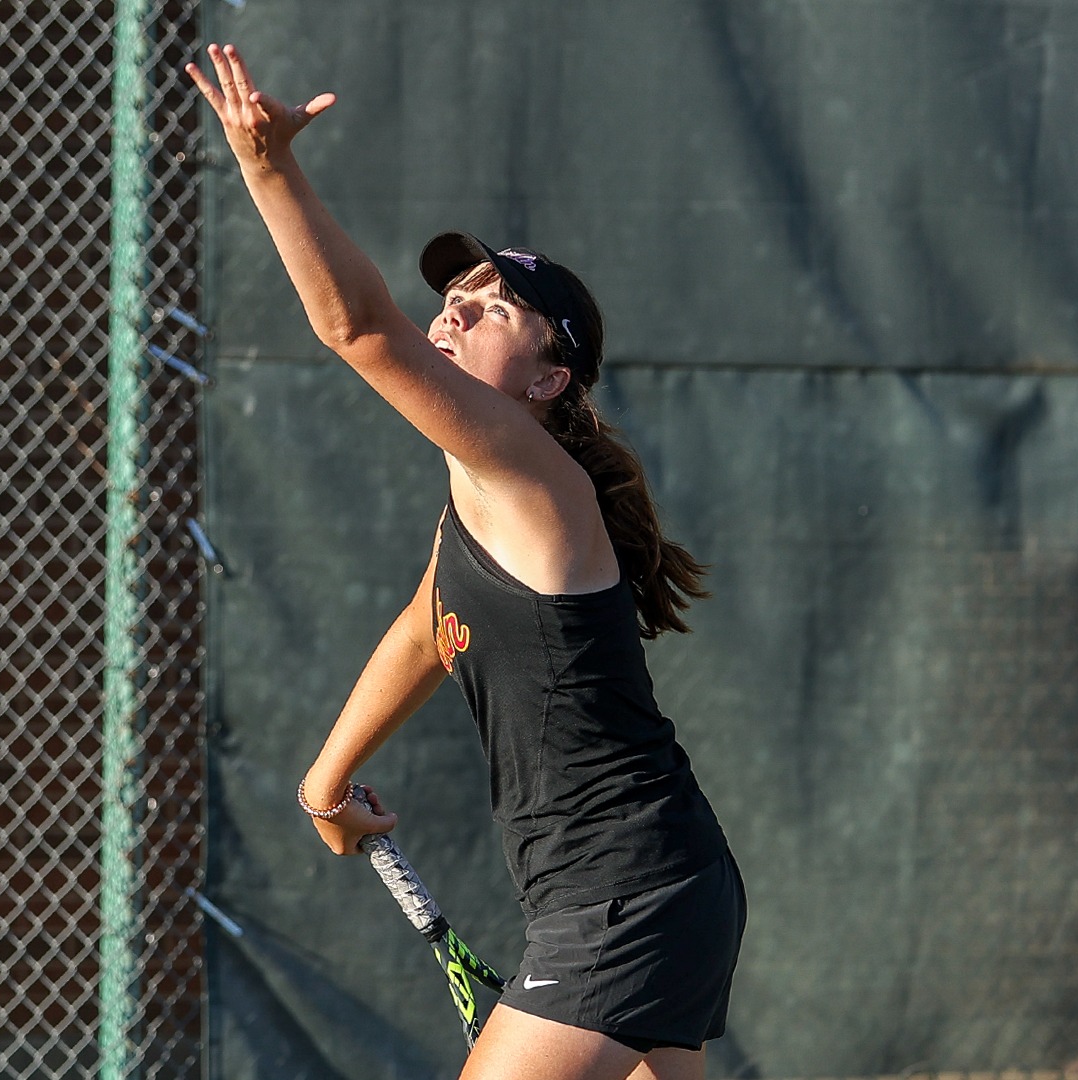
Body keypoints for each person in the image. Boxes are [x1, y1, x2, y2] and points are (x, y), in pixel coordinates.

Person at [186, 45, 745, 1080]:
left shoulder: (538, 484)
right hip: (656, 890)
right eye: (454, 295)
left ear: (548, 380)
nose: (453, 309)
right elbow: (426, 627)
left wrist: (266, 167)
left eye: (493, 306)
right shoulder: (478, 502)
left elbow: (356, 328)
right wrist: (327, 781)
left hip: (625, 897)